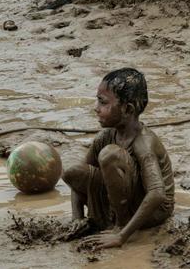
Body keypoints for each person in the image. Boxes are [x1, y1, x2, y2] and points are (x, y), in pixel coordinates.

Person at [62, 68, 175, 249]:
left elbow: (157, 194)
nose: (96, 108)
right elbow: (78, 180)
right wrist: (77, 218)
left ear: (127, 109)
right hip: (124, 200)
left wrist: (121, 236)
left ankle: (120, 225)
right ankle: (106, 220)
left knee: (110, 155)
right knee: (72, 171)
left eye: (103, 102)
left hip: (153, 211)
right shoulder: (105, 136)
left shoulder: (144, 143)